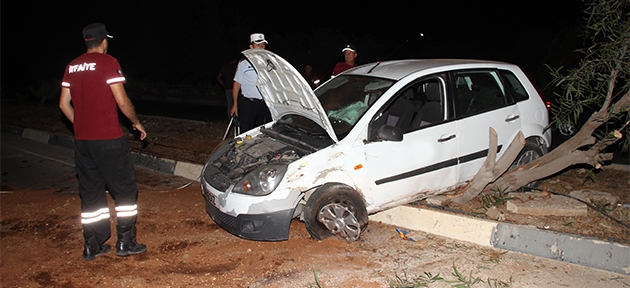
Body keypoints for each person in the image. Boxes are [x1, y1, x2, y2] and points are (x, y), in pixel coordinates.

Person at [59, 23, 147, 261]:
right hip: (108, 139)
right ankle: (126, 242)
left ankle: (92, 245)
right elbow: (122, 100)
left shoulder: (72, 66)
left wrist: (80, 123)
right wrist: (136, 122)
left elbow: (62, 103)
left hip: (83, 142)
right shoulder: (109, 63)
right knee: (125, 189)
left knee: (90, 193)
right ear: (103, 41)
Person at [230, 33, 272, 132]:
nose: (261, 47)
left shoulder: (269, 63)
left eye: (263, 44)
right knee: (246, 132)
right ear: (251, 46)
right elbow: (236, 85)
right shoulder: (243, 63)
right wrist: (234, 104)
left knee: (265, 132)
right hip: (249, 104)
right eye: (258, 44)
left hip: (265, 104)